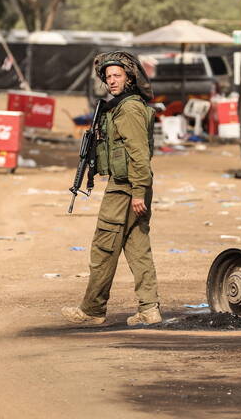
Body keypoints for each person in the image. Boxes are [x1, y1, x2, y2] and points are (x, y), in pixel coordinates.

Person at [62, 51, 161, 326]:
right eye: (108, 77)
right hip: (130, 186)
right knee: (137, 247)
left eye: (117, 75)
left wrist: (139, 191)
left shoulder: (128, 108)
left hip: (126, 187)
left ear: (129, 77)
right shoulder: (121, 105)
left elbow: (139, 154)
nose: (112, 81)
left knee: (104, 247)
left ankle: (92, 310)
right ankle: (149, 309)